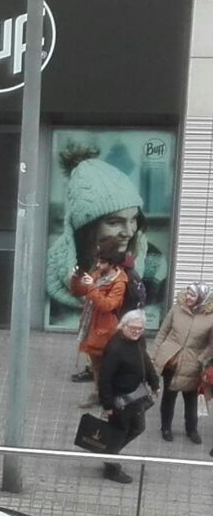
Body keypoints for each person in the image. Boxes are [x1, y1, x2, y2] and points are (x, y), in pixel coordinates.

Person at [46, 143, 167, 324]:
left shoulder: (153, 262)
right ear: (87, 228)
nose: (129, 232)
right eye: (114, 222)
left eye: (133, 219)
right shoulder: (54, 267)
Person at [97, 310, 159, 484]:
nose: (136, 331)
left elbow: (145, 361)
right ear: (123, 326)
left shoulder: (138, 341)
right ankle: (111, 467)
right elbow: (105, 378)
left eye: (140, 328)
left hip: (136, 396)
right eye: (133, 328)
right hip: (120, 400)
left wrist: (154, 382)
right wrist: (107, 405)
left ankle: (109, 454)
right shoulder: (115, 348)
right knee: (120, 431)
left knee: (137, 428)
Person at [150, 284, 213, 444]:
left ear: (201, 298)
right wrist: (154, 354)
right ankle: (165, 428)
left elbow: (211, 345)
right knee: (168, 397)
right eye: (187, 293)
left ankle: (191, 430)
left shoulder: (210, 317)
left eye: (192, 295)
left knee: (191, 399)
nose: (188, 297)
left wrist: (201, 359)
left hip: (193, 364)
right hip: (171, 360)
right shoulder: (177, 308)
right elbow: (163, 332)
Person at [70, 251, 128, 409]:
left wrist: (91, 287)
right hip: (92, 326)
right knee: (96, 365)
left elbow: (107, 305)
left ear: (112, 264)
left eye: (102, 262)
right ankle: (99, 394)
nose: (98, 265)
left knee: (108, 366)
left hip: (106, 330)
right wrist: (75, 278)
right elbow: (77, 292)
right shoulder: (97, 274)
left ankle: (108, 397)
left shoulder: (119, 283)